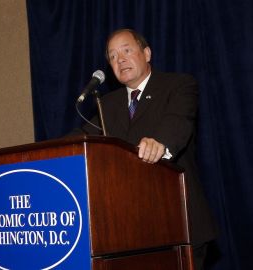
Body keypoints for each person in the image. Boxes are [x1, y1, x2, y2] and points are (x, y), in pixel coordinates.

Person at [77, 29, 217, 269]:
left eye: (126, 50)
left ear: (147, 53)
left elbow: (178, 121)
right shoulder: (107, 105)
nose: (119, 59)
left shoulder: (178, 85)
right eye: (112, 56)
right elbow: (80, 139)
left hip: (179, 223)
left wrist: (160, 143)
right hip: (126, 232)